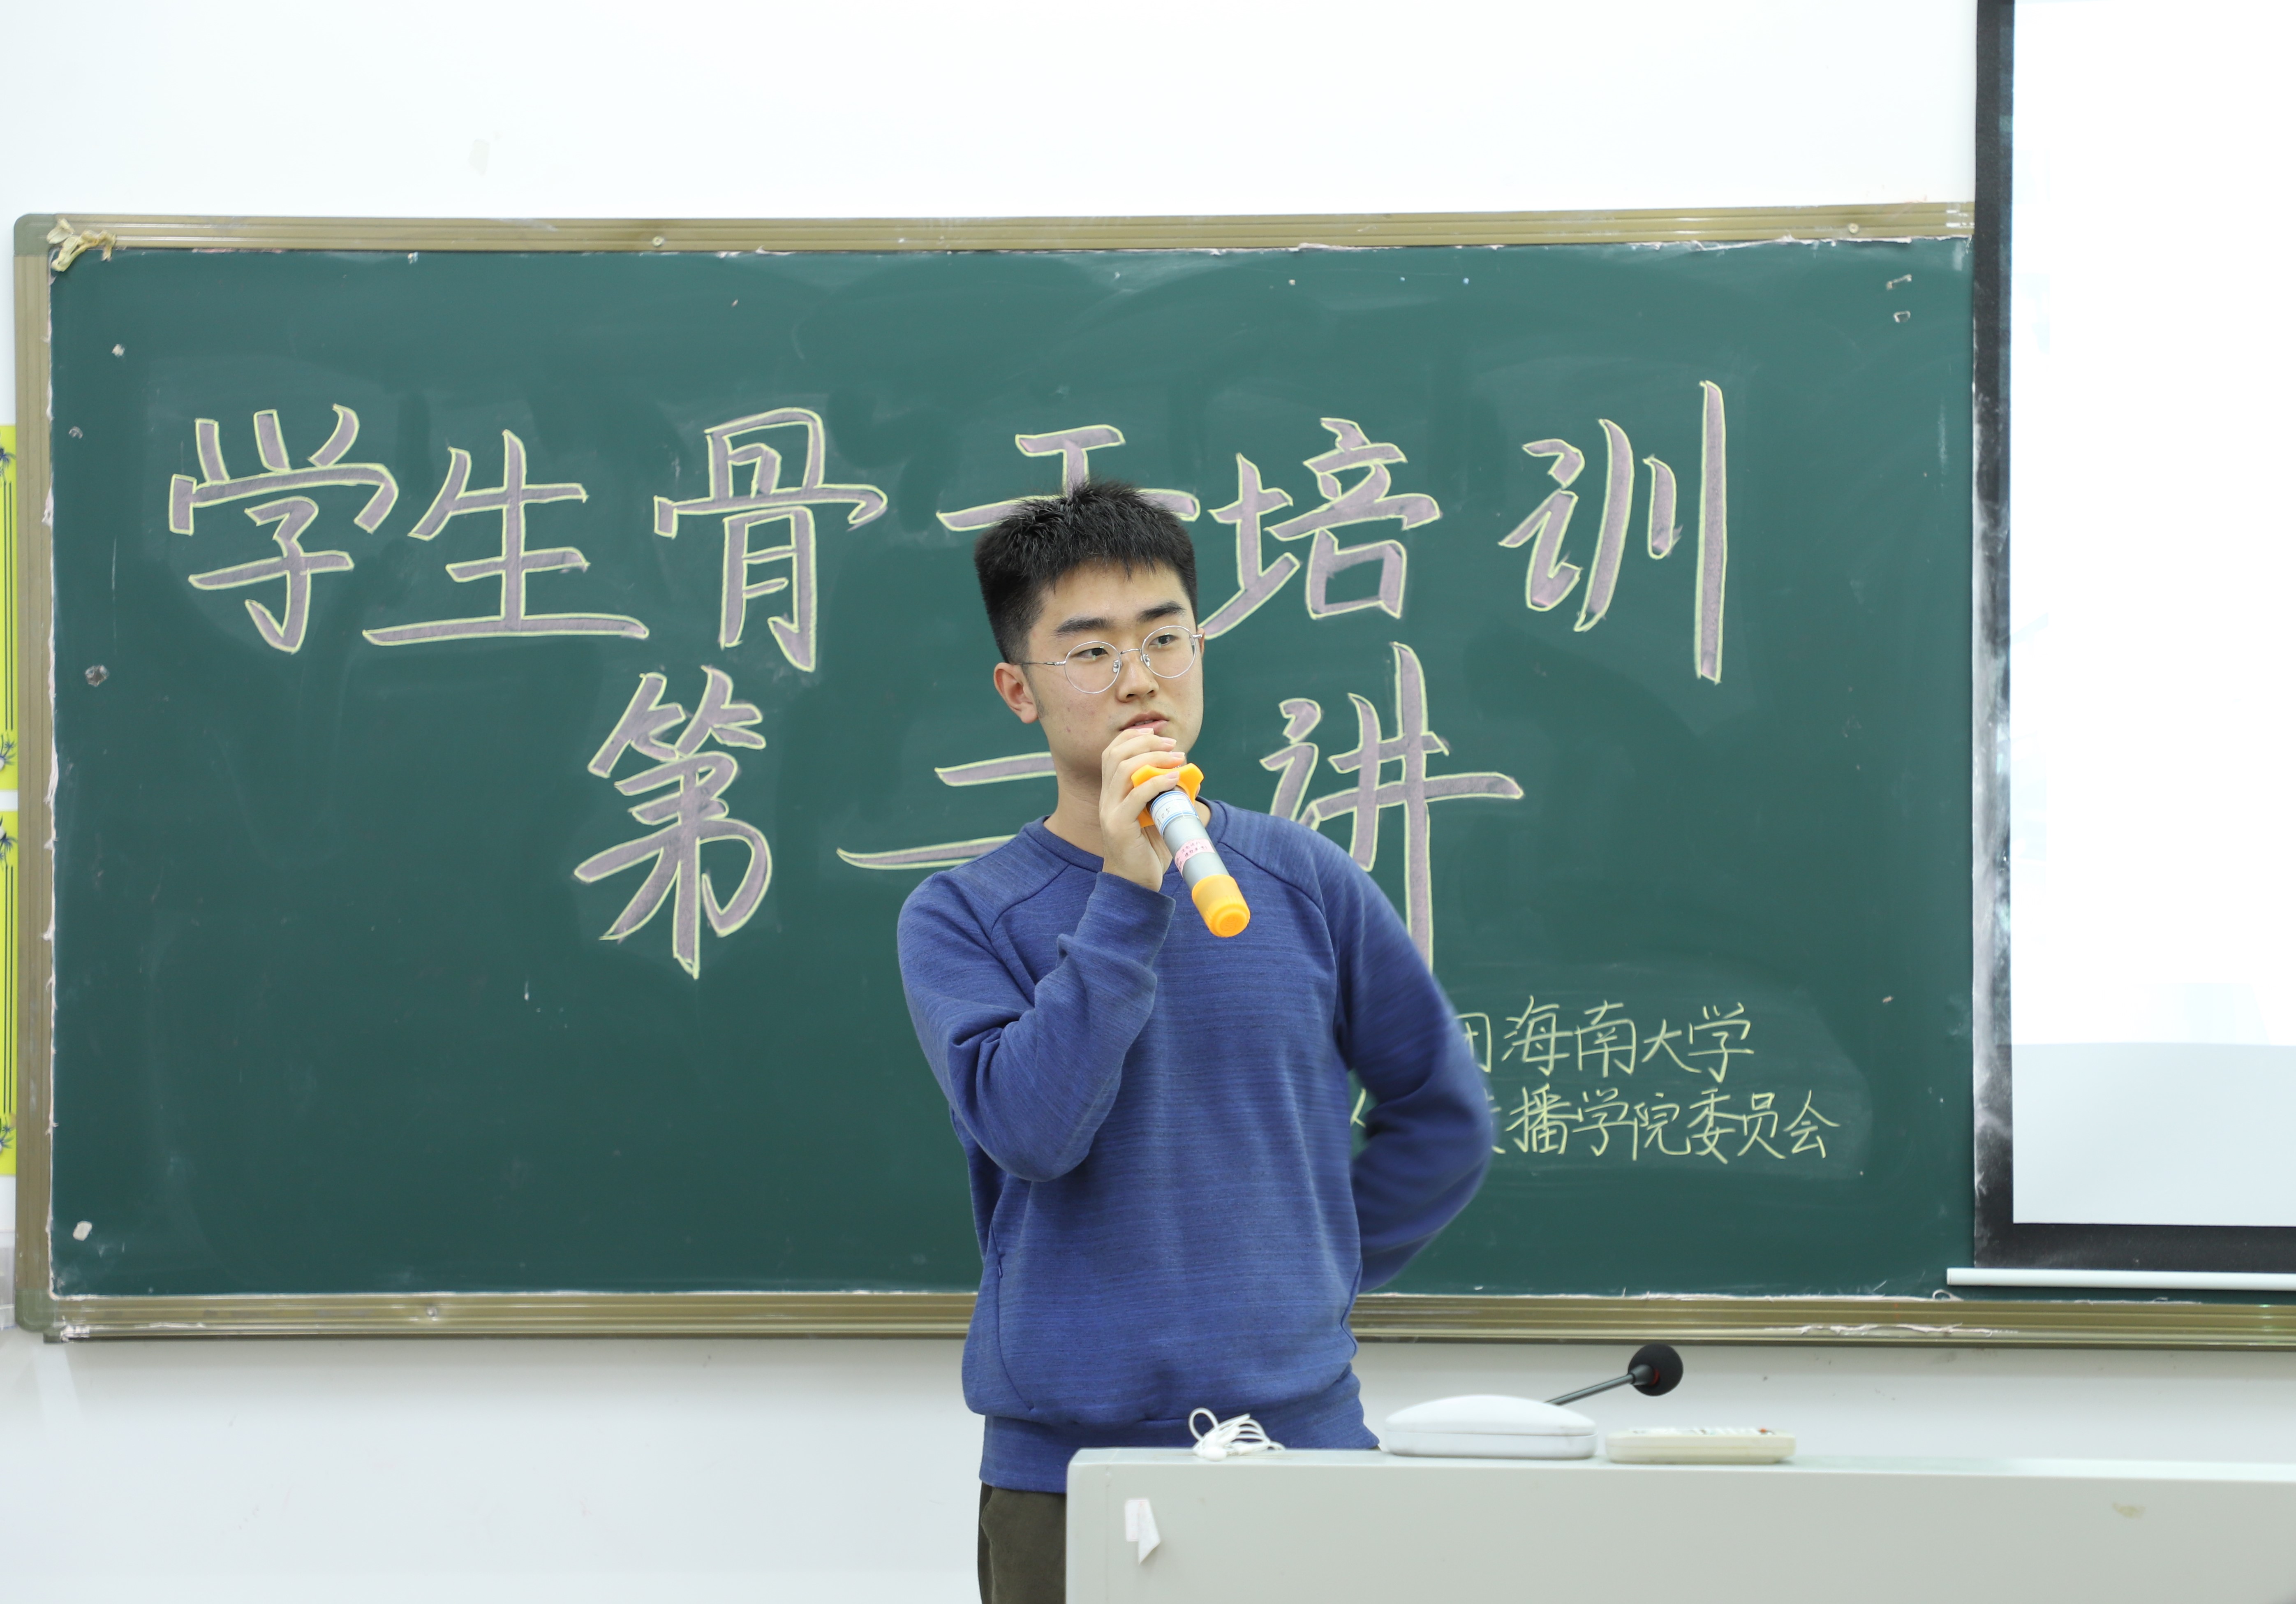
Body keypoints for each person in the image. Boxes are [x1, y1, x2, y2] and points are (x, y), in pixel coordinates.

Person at [896, 481, 1492, 1604]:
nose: (1139, 679)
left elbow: (1441, 1114)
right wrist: (1128, 889)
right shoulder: (963, 915)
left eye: (1165, 637)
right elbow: (1031, 1132)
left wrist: (1300, 1272)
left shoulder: (1303, 878)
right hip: (1065, 1477)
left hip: (1304, 1450)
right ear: (1019, 690)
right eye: (1090, 651)